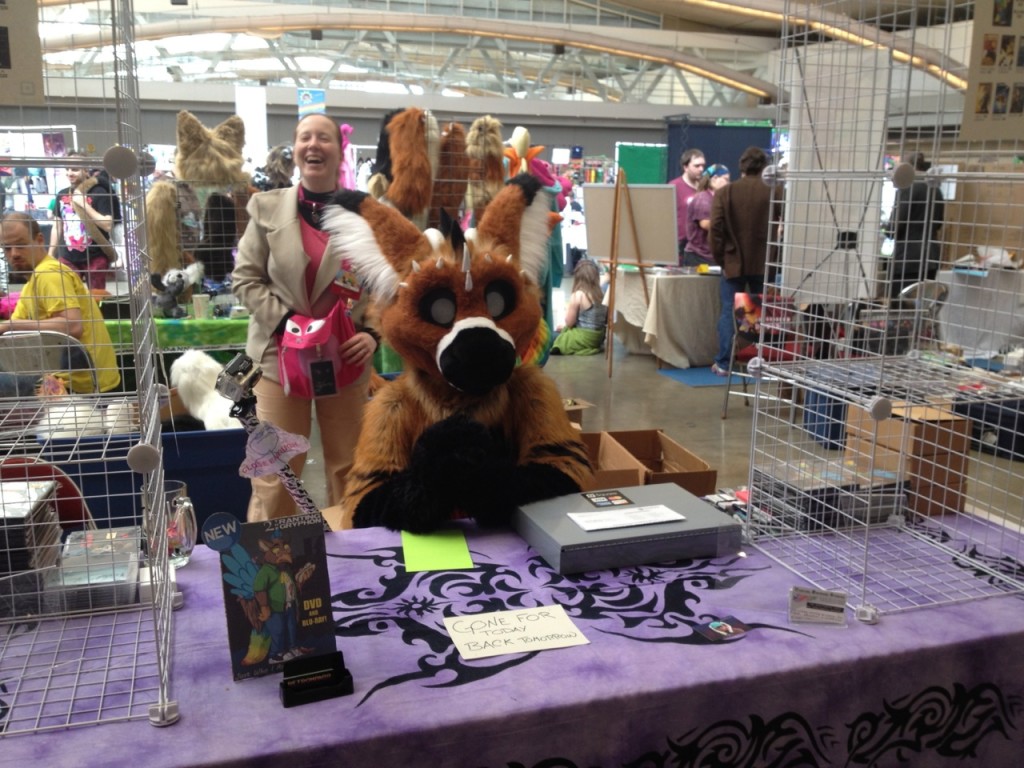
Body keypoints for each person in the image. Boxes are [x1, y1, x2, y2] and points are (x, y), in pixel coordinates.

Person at [232, 113, 378, 522]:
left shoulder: (365, 213)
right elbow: (245, 279)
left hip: (345, 359)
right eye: (305, 138)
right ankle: (265, 567)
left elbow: (385, 285)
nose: (314, 145)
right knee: (275, 473)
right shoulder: (265, 208)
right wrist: (285, 323)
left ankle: (357, 559)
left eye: (324, 138)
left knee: (350, 467)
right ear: (295, 149)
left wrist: (372, 335)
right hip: (279, 359)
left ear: (339, 149)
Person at [0, 211, 120, 394]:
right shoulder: (31, 284)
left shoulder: (49, 274)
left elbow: (73, 326)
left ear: (40, 240)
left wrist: (10, 325)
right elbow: (10, 337)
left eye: (21, 245)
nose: (14, 254)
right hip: (69, 380)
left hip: (82, 388)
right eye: (7, 248)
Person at [709, 146, 777, 376]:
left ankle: (724, 363)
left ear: (741, 166)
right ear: (764, 166)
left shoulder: (725, 193)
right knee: (758, 311)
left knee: (730, 311)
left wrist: (722, 258)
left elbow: (715, 231)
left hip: (732, 261)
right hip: (764, 261)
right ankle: (755, 360)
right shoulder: (775, 192)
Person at [49, 152, 120, 291]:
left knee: (97, 299)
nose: (70, 173)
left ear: (86, 170)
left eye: (74, 169)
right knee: (68, 297)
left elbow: (107, 225)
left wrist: (84, 205)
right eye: (67, 169)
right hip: (67, 257)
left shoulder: (99, 193)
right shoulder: (62, 195)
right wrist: (51, 253)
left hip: (95, 256)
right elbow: (57, 226)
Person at [885, 151, 944, 298]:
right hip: (931, 257)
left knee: (900, 309)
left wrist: (885, 229)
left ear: (906, 166)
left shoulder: (907, 187)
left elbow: (894, 227)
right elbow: (938, 223)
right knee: (921, 306)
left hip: (907, 258)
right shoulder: (936, 188)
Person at [551, 259, 607, 356]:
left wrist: (565, 325)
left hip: (583, 338)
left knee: (549, 337)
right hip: (597, 339)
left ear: (578, 277)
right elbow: (605, 320)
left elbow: (569, 323)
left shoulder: (579, 295)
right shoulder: (602, 294)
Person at [683, 164, 730, 268]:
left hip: (710, 256)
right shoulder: (703, 198)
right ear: (715, 179)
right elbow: (706, 224)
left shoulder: (717, 199)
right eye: (726, 179)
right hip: (698, 257)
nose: (728, 183)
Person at [670, 148, 705, 260]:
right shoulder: (674, 186)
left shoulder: (705, 188)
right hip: (679, 248)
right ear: (685, 167)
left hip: (700, 250)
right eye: (697, 166)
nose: (701, 169)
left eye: (703, 166)